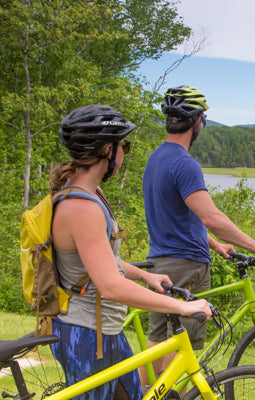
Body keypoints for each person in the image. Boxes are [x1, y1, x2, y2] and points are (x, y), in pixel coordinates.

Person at [49, 104, 212, 400]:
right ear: (107, 150)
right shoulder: (81, 208)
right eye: (124, 145)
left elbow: (101, 262)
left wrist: (144, 276)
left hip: (105, 331)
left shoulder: (90, 195)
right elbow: (110, 285)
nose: (125, 152)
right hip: (86, 335)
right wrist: (182, 307)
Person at [142, 85, 255, 380]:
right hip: (186, 267)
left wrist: (217, 246)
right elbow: (210, 217)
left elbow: (179, 216)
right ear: (197, 122)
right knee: (185, 351)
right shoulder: (185, 164)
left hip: (159, 263)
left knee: (157, 342)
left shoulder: (155, 159)